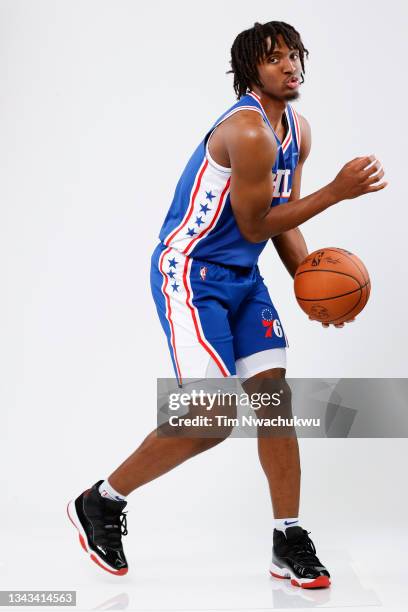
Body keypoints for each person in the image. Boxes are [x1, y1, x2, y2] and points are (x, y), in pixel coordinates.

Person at [67, 21, 386, 587]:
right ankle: (102, 500)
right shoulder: (249, 131)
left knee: (274, 398)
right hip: (190, 273)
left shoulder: (297, 130)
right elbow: (255, 220)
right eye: (274, 59)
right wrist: (336, 192)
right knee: (211, 420)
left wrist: (306, 282)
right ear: (250, 71)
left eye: (294, 56)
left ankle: (287, 535)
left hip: (243, 274)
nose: (290, 67)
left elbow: (282, 213)